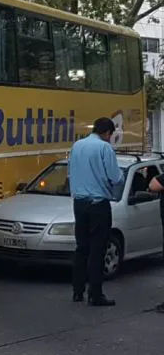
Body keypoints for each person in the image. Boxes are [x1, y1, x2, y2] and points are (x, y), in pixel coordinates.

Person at [68, 117, 124, 306]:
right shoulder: (104, 148)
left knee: (81, 247)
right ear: (107, 133)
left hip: (79, 203)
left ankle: (77, 291)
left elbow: (71, 172)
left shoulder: (77, 145)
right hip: (98, 204)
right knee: (98, 249)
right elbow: (115, 177)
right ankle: (96, 294)